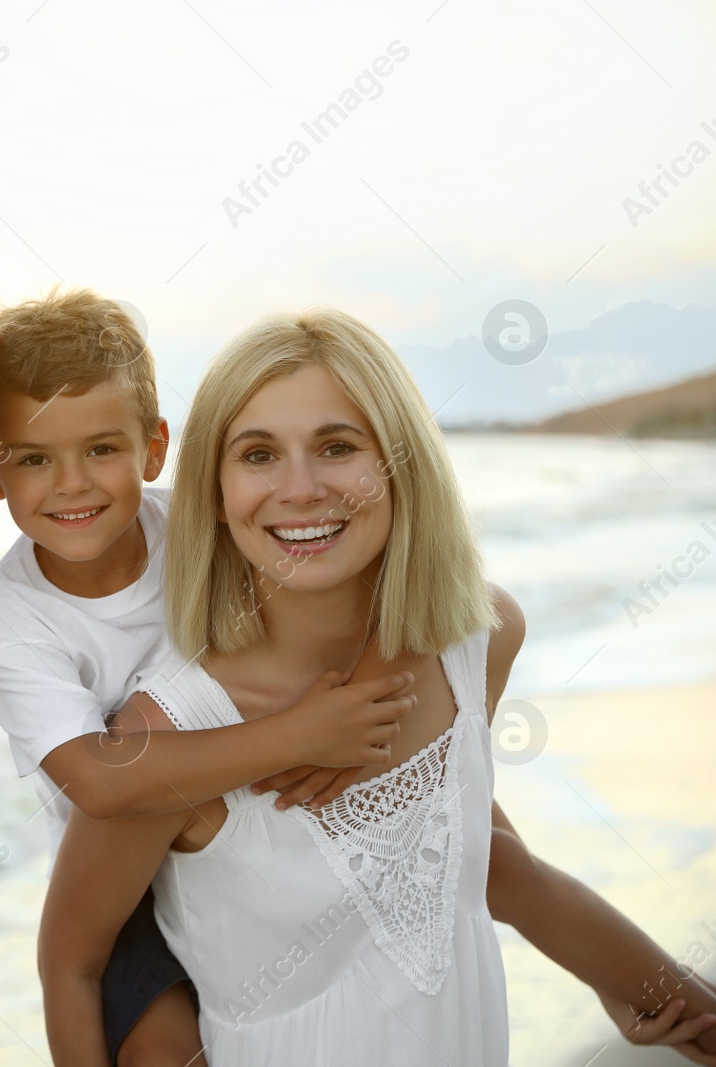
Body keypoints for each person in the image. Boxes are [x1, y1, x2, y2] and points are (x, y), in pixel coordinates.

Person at [36, 308, 716, 1064]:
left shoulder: (479, 642)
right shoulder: (167, 740)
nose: (300, 488)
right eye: (258, 454)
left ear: (401, 465)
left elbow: (477, 854)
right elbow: (74, 966)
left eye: (336, 446)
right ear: (215, 493)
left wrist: (641, 984)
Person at [0, 288, 423, 1065]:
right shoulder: (12, 611)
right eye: (34, 459)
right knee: (165, 1051)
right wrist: (298, 735)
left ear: (153, 448)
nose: (71, 483)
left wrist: (352, 705)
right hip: (127, 888)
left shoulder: (198, 523)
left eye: (102, 449)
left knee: (470, 839)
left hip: (249, 829)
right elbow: (101, 784)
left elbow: (366, 586)